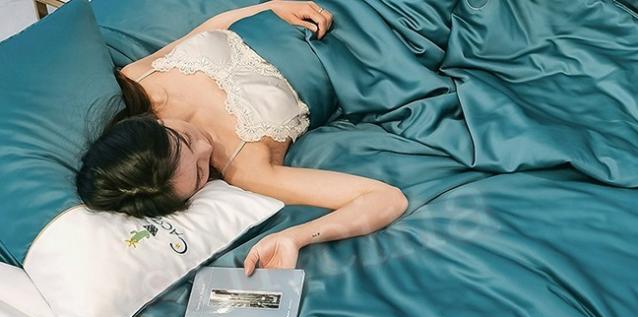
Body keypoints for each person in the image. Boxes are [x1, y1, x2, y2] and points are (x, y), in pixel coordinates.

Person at [76, 0, 408, 276]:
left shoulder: (139, 79)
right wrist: (297, 237)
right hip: (362, 45)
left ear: (144, 126)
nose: (206, 146)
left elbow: (210, 28)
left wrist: (272, 7)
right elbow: (386, 198)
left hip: (302, 9)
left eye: (184, 141)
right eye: (201, 173)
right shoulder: (249, 171)